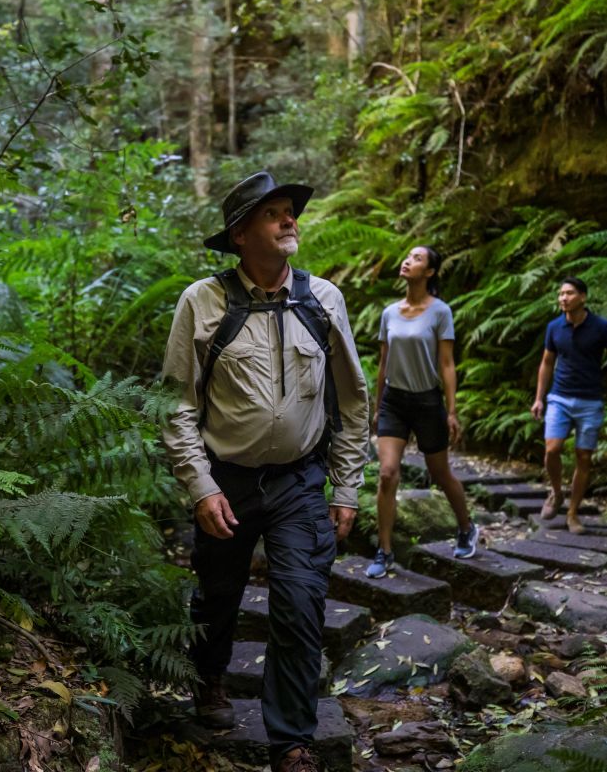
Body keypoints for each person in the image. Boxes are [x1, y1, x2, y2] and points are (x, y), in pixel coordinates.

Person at [161, 171, 370, 772]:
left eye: (290, 212)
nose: (289, 221)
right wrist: (199, 485)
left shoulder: (323, 298)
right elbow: (175, 405)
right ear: (240, 233)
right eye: (273, 213)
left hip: (300, 481)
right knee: (218, 594)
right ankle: (209, 680)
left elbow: (353, 401)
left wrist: (347, 486)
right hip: (225, 479)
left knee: (301, 603)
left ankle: (292, 742)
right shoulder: (203, 301)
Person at [366, 246, 479, 579]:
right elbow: (384, 363)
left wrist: (452, 410)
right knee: (387, 474)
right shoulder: (389, 313)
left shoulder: (440, 312)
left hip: (428, 401)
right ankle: (384, 550)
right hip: (394, 403)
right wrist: (377, 405)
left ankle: (465, 527)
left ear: (429, 272)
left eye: (416, 259)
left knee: (440, 473)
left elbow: (446, 363)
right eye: (407, 257)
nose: (407, 261)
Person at [530, 276, 607, 534]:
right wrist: (539, 398)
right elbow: (546, 363)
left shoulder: (601, 327)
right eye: (560, 294)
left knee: (583, 458)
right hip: (559, 398)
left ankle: (573, 513)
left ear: (583, 297)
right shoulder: (554, 327)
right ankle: (556, 493)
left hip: (590, 401)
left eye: (569, 293)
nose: (563, 298)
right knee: (552, 450)